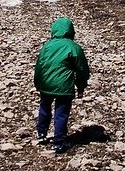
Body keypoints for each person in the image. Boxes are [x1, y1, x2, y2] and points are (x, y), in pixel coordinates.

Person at [34, 17, 90, 154]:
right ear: (71, 31)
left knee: (45, 107)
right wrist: (81, 86)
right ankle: (58, 142)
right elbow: (82, 70)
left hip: (46, 84)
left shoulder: (47, 46)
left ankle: (41, 134)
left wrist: (38, 83)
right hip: (64, 86)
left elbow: (39, 66)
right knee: (61, 113)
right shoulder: (74, 47)